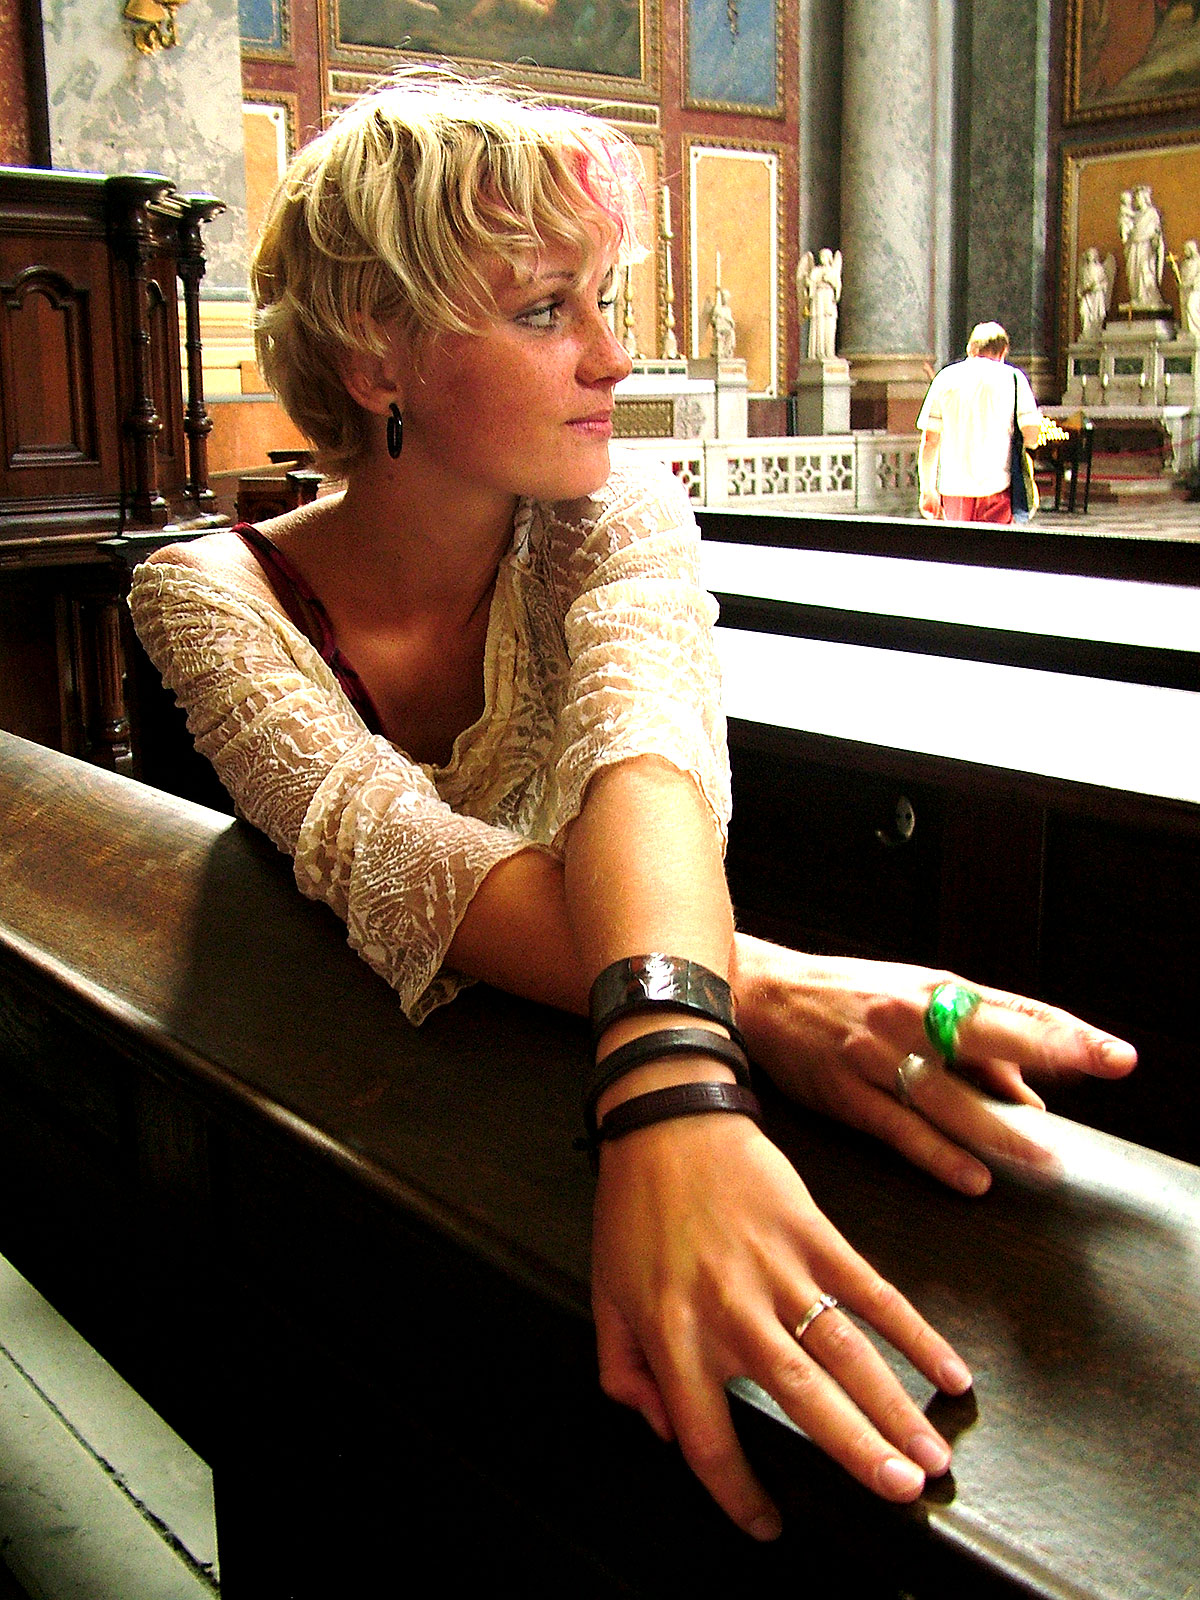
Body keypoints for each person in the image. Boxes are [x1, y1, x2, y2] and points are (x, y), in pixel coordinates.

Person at [129, 75, 1136, 1544]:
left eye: (603, 299)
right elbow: (396, 859)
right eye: (548, 310)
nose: (614, 355)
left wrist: (668, 1054)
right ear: (376, 356)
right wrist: (735, 1011)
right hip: (338, 1142)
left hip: (557, 1109)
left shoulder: (615, 506)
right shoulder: (205, 595)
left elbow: (642, 766)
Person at [917, 321, 1041, 524]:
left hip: (954, 488)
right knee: (991, 543)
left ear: (970, 349)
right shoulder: (1014, 378)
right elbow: (1031, 437)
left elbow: (930, 440)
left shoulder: (945, 378)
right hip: (997, 485)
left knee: (958, 543)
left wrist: (927, 489)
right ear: (1003, 352)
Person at [1123, 183, 1167, 310]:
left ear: (1145, 198)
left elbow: (1156, 232)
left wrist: (1156, 240)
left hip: (1146, 248)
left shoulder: (1152, 213)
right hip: (1133, 248)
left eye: (1138, 197)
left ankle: (1147, 298)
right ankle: (1136, 298)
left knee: (1145, 271)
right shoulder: (1134, 215)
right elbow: (1127, 231)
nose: (1136, 200)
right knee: (1133, 274)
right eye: (1136, 197)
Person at [797, 247, 842, 360]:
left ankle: (829, 351)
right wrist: (807, 281)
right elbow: (810, 284)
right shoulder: (816, 270)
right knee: (819, 322)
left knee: (829, 323)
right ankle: (819, 351)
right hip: (819, 297)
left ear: (830, 258)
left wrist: (830, 281)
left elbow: (838, 286)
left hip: (829, 297)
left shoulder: (833, 271)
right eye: (821, 256)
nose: (823, 259)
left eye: (825, 256)